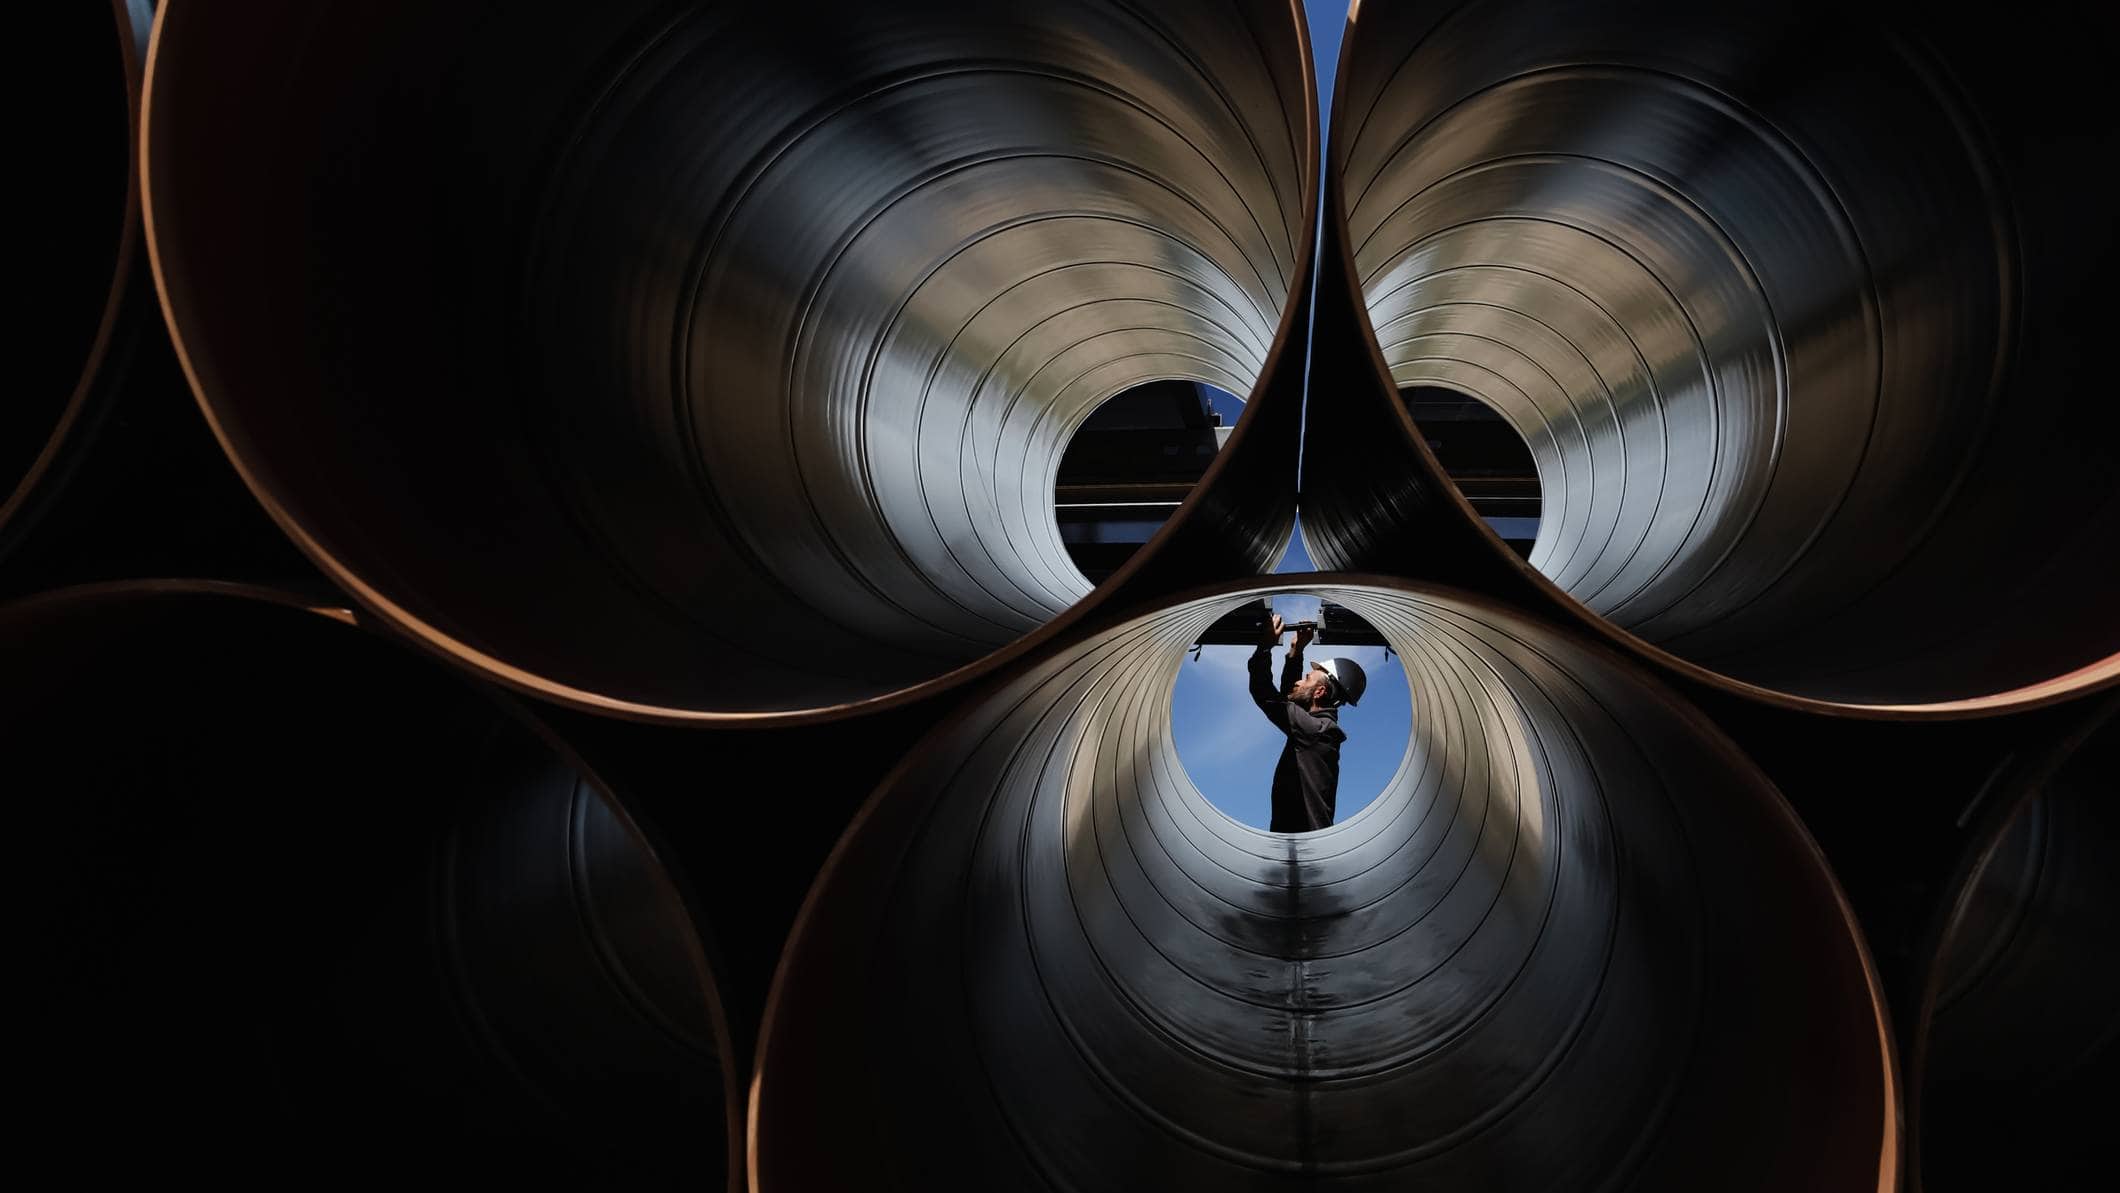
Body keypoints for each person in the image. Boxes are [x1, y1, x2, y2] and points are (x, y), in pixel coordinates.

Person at [1247, 612, 1367, 833]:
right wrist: (1296, 651)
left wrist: (1264, 648)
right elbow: (1290, 698)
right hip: (1302, 846)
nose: (1300, 681)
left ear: (1319, 691)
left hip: (1302, 849)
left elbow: (1267, 695)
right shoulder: (1318, 729)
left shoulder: (1314, 731)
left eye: (1307, 678)